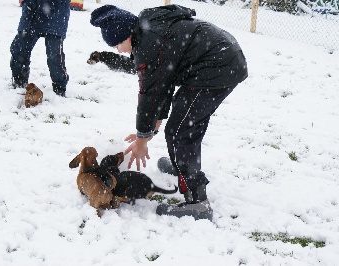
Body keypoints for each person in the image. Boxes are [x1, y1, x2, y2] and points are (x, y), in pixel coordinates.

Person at [90, 4, 248, 220]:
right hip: (220, 57)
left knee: (180, 131)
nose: (118, 49)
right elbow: (162, 85)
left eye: (117, 44)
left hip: (217, 66)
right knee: (185, 121)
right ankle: (182, 168)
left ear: (127, 36)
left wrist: (142, 139)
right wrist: (149, 131)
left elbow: (151, 94)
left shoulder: (149, 44)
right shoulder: (146, 30)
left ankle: (198, 202)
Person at [10, 0, 71, 97]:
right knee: (20, 48)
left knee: (54, 55)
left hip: (57, 11)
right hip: (32, 9)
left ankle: (59, 88)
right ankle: (19, 82)